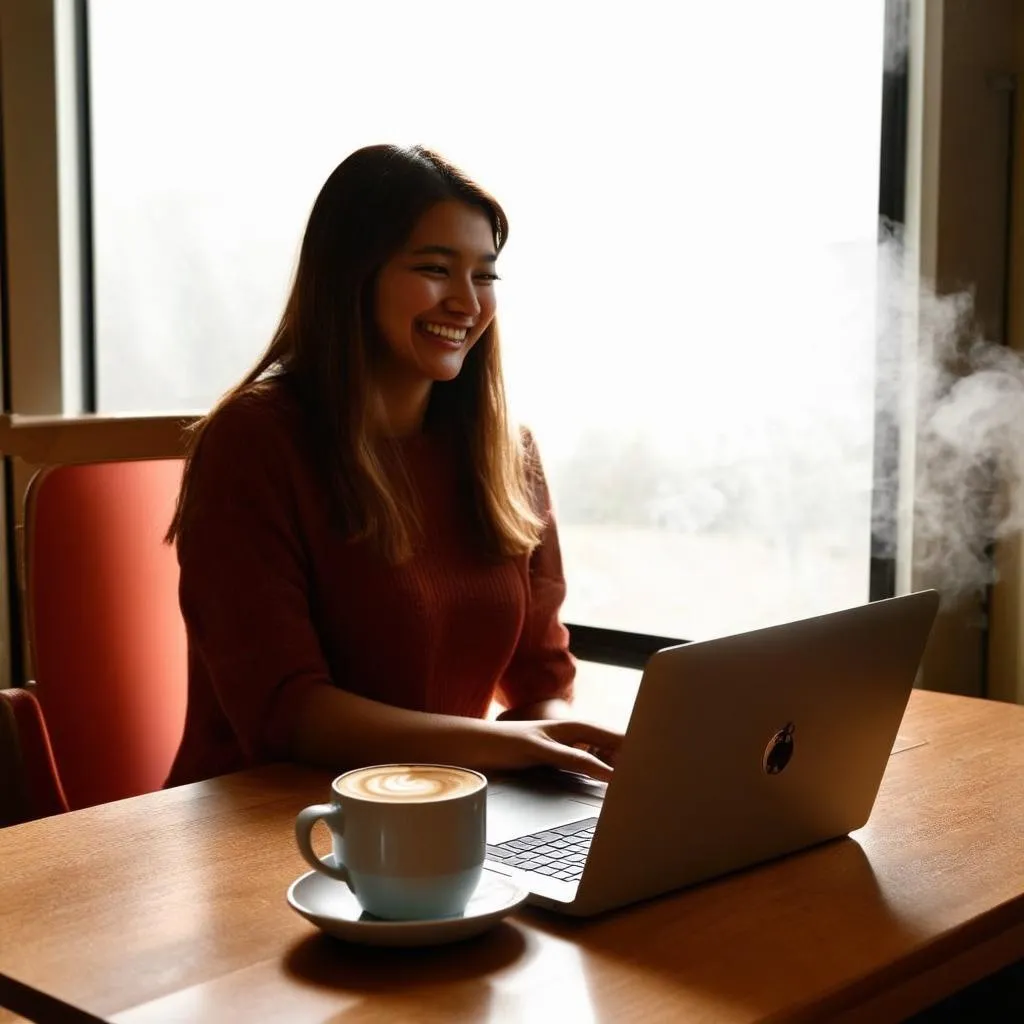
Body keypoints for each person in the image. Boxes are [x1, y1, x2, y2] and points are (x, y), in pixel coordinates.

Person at [163, 144, 622, 790]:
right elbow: (286, 712)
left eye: (485, 276)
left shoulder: (505, 453)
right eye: (436, 269)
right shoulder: (253, 442)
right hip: (270, 821)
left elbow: (540, 682)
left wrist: (566, 751)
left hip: (437, 816)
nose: (467, 302)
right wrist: (505, 746)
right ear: (354, 276)